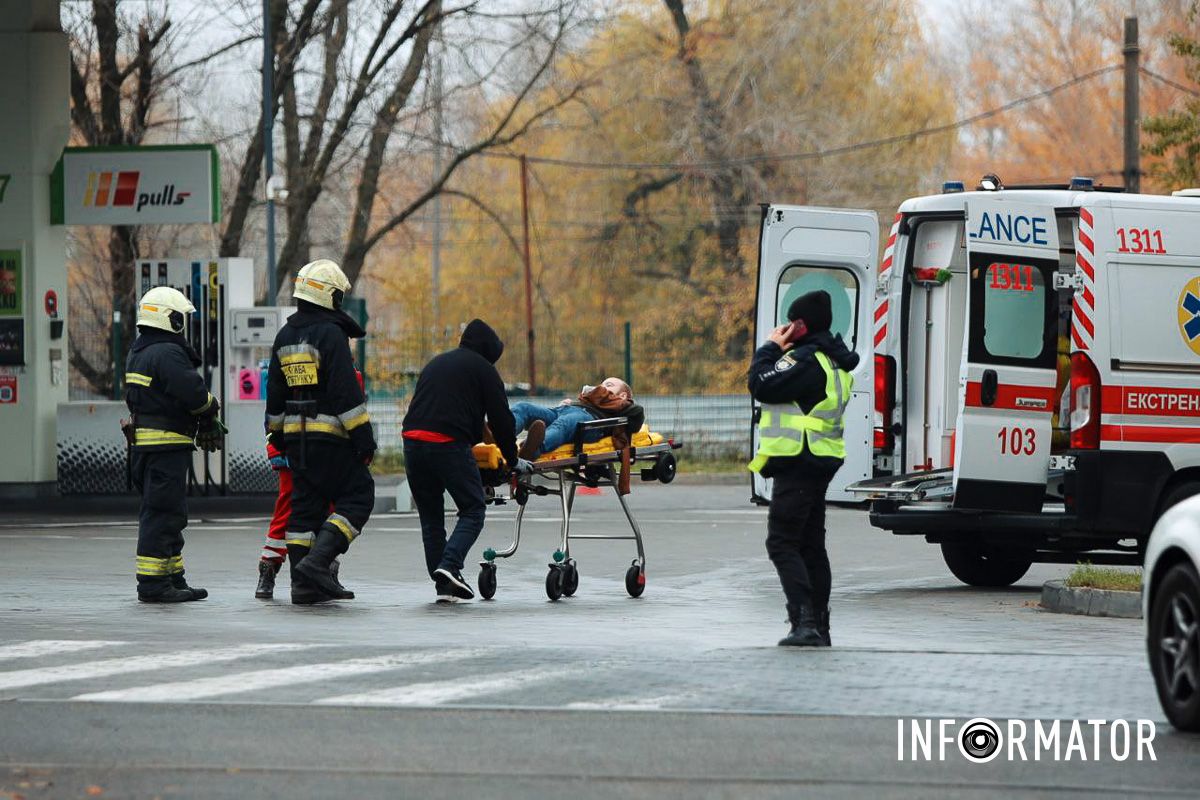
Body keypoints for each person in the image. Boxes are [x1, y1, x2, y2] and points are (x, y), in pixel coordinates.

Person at [748, 290, 858, 647]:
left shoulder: (806, 360)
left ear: (799, 324)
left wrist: (768, 348)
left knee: (782, 542)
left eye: (789, 321)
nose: (783, 327)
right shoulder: (834, 361)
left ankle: (804, 622)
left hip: (799, 459)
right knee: (811, 545)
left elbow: (760, 384)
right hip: (819, 461)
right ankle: (820, 626)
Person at [265, 259, 376, 605]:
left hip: (297, 444)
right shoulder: (331, 334)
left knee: (304, 511)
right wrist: (364, 439)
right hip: (332, 438)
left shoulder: (285, 336)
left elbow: (276, 395)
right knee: (359, 496)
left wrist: (278, 438)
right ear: (330, 296)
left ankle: (303, 586)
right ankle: (317, 564)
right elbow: (346, 393)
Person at [402, 319, 530, 602]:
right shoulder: (485, 371)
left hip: (411, 441)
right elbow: (502, 421)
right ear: (490, 353)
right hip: (446, 443)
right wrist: (512, 460)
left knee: (431, 517)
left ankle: (444, 583)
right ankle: (450, 566)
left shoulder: (437, 363)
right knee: (473, 509)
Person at [123, 286, 224, 603]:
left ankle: (172, 578)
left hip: (148, 446)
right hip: (166, 447)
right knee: (163, 514)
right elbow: (193, 392)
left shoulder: (139, 351)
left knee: (168, 512)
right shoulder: (167, 352)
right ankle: (154, 585)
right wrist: (210, 410)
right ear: (171, 319)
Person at [254, 368, 364, 600]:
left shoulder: (291, 363)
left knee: (295, 507)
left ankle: (271, 568)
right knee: (320, 510)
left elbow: (274, 406)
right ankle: (316, 569)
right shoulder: (345, 371)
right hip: (319, 449)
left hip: (293, 443)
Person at [509, 377, 645, 459]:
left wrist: (621, 402)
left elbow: (637, 415)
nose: (602, 387)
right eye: (602, 385)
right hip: (563, 411)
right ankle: (502, 435)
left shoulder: (626, 408)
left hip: (589, 420)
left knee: (564, 423)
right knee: (524, 407)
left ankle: (532, 449)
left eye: (609, 385)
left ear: (622, 396)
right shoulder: (589, 399)